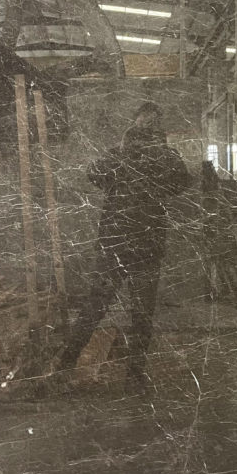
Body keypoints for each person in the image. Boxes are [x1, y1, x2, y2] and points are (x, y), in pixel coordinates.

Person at [56, 102, 190, 384]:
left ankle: (115, 372)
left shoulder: (138, 153)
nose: (148, 124)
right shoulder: (149, 154)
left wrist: (132, 153)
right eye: (147, 120)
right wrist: (140, 156)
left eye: (150, 120)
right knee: (118, 309)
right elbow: (95, 172)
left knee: (119, 309)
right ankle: (120, 372)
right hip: (135, 244)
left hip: (126, 244)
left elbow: (96, 173)